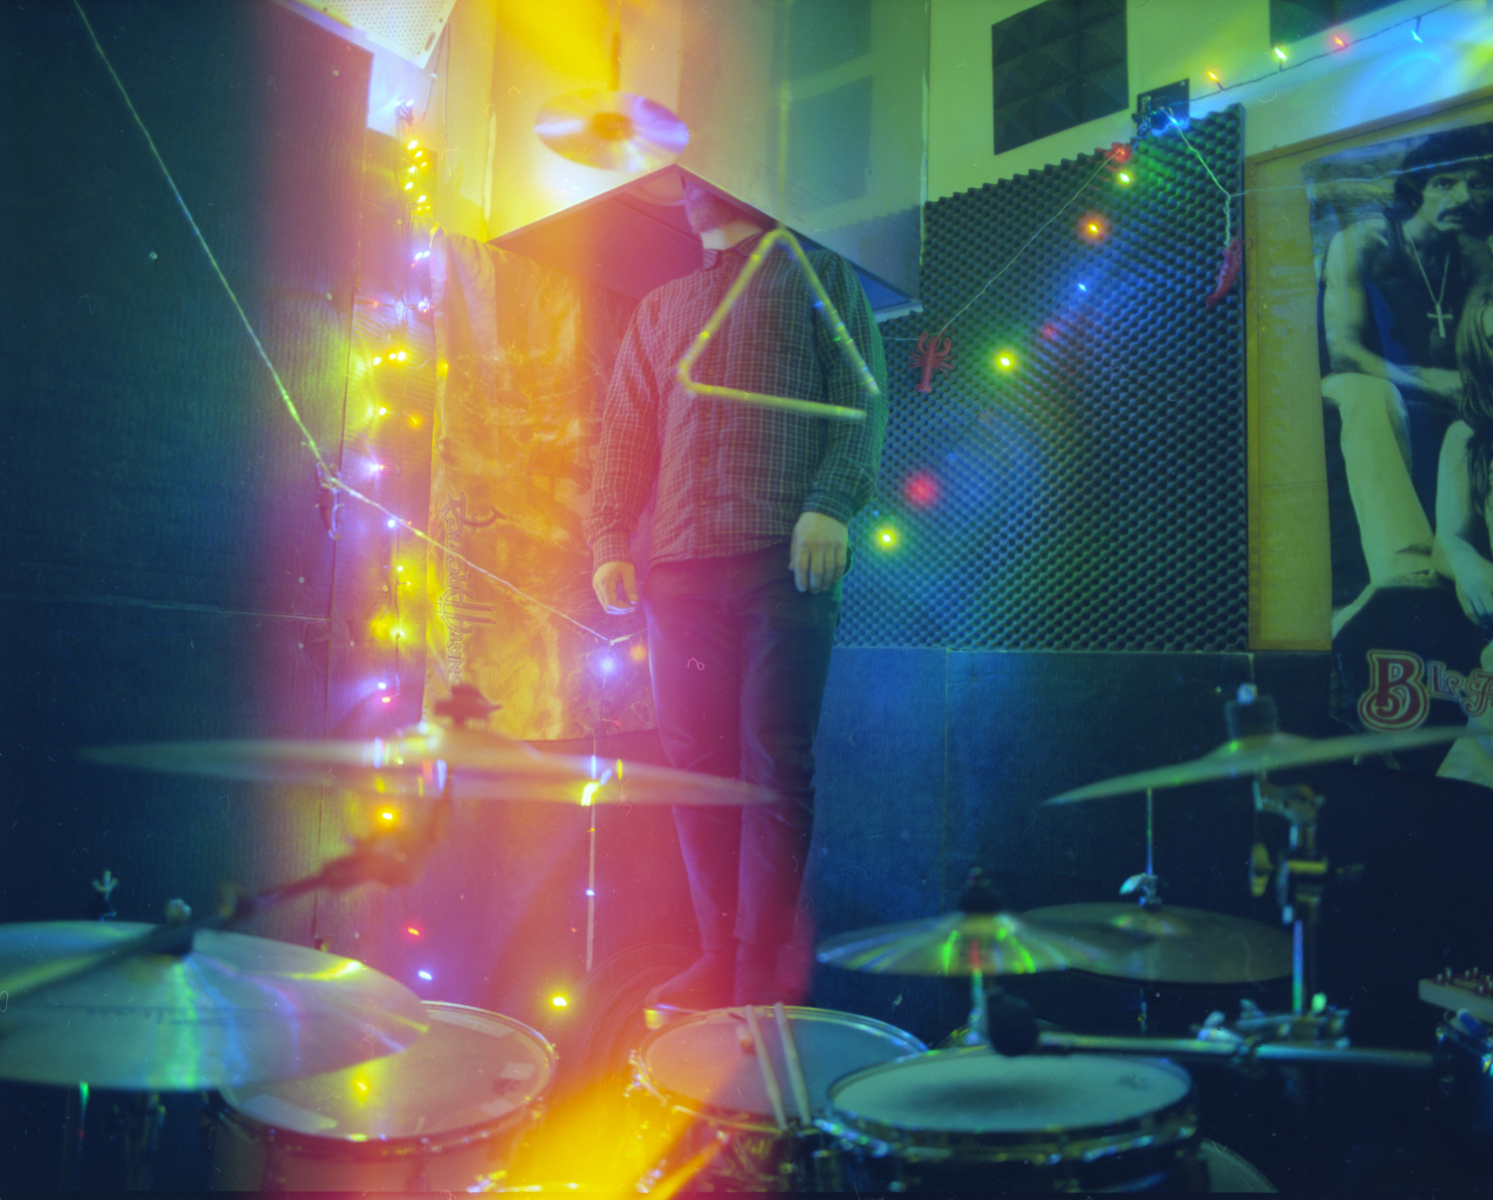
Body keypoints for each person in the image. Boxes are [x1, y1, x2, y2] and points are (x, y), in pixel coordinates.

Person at [583, 178, 888, 1012]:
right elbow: (624, 430)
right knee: (695, 768)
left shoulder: (817, 272)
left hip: (779, 564)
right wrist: (608, 538)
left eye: (708, 171)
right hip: (677, 575)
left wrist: (831, 502)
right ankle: (718, 958)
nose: (691, 189)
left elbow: (861, 392)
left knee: (772, 762)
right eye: (683, 177)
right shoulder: (658, 308)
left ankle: (757, 964)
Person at [1319, 126, 1493, 607]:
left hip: (1441, 390)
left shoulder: (1473, 255)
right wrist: (1431, 380)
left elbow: (1479, 346)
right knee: (1370, 393)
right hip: (1351, 385)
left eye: (1478, 183)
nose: (1463, 196)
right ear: (1417, 191)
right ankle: (1407, 570)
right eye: (1445, 182)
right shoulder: (1365, 242)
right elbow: (1344, 352)